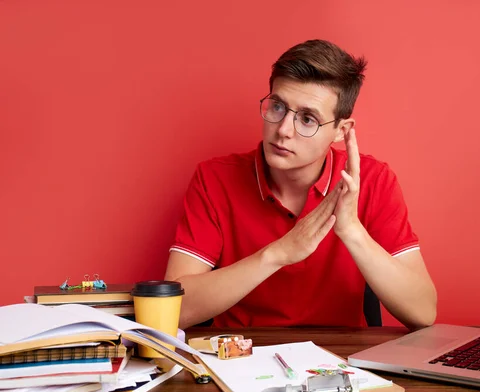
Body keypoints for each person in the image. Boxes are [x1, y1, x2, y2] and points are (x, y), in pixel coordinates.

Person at [164, 39, 437, 331]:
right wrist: (278, 254)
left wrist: (352, 231)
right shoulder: (214, 178)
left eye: (307, 119)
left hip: (340, 361)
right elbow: (172, 312)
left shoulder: (373, 180)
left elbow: (423, 312)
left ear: (340, 130)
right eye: (278, 107)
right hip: (239, 356)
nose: (283, 130)